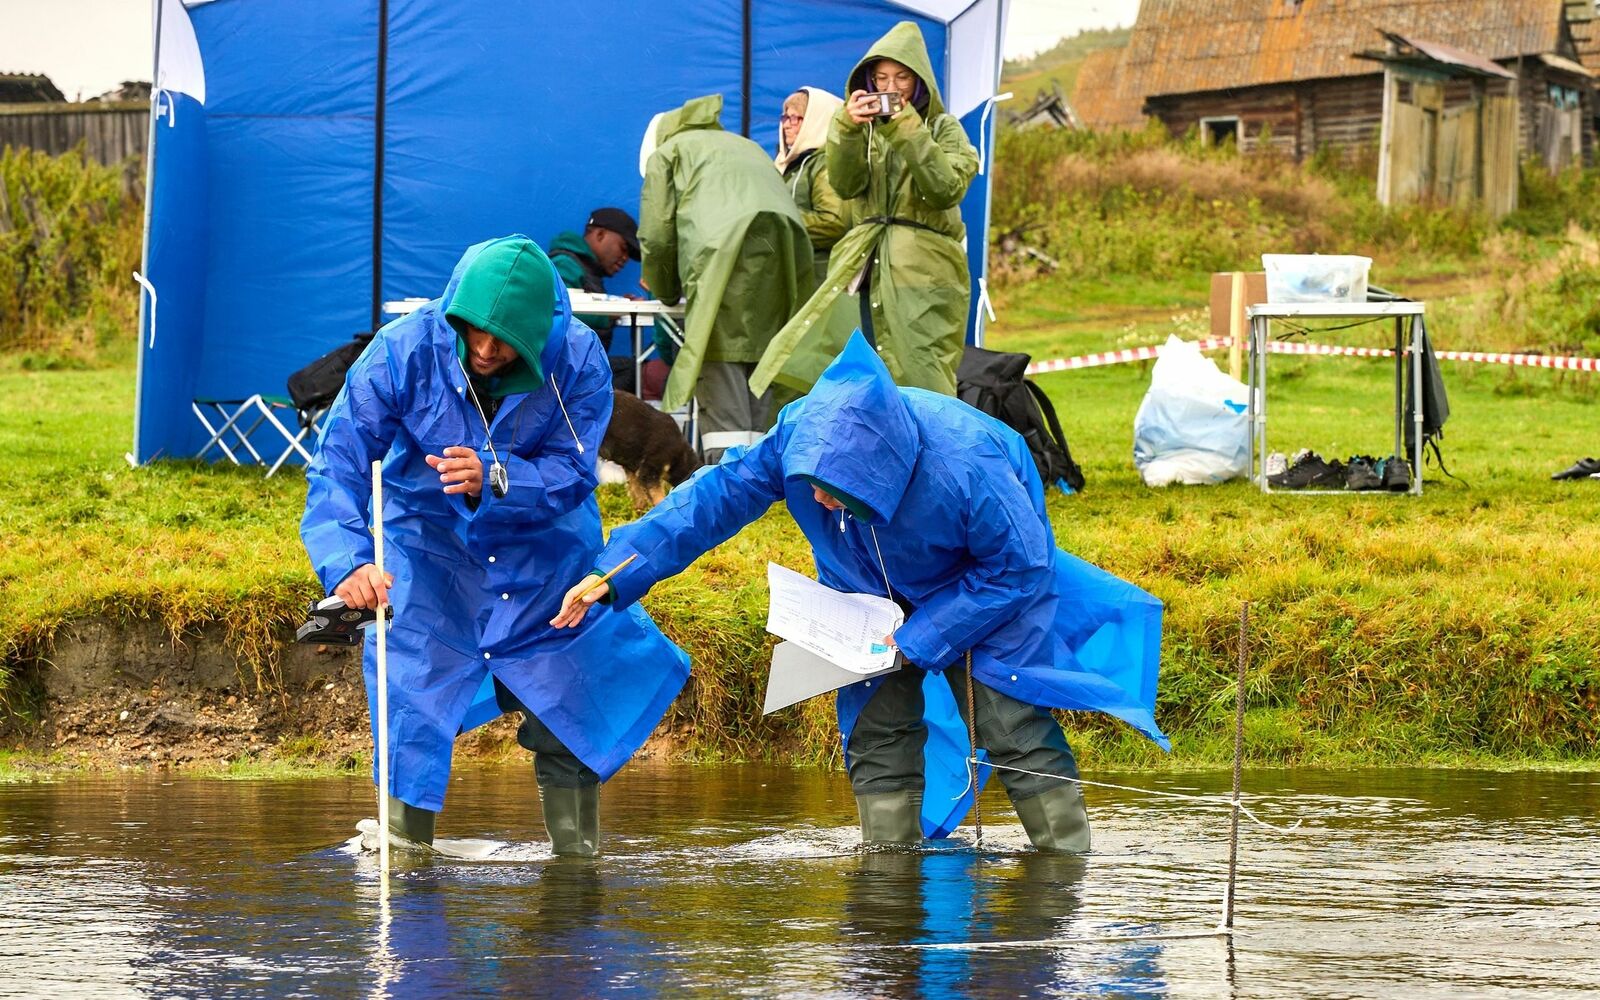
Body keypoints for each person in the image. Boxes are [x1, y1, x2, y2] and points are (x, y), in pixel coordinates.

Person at [552, 334, 1169, 853]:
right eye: (810, 486)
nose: (817, 502)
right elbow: (713, 498)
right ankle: (889, 872)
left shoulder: (968, 466)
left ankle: (1065, 871)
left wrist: (921, 637)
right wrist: (615, 572)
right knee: (875, 730)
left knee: (1010, 721)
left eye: (835, 490)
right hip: (861, 597)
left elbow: (1019, 569)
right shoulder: (798, 436)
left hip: (984, 590)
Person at [301, 235, 689, 857]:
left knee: (568, 699)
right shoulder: (401, 351)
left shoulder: (579, 360)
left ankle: (574, 875)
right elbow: (338, 467)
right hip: (427, 552)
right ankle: (406, 861)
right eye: (473, 333)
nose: (484, 351)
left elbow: (572, 471)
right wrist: (348, 563)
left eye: (504, 341)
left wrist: (499, 476)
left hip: (544, 551)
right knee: (413, 695)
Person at [751, 21, 979, 401]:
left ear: (920, 80)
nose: (890, 88)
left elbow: (945, 188)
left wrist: (905, 126)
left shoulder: (943, 127)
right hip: (867, 267)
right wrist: (846, 129)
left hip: (924, 272)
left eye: (902, 78)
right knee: (869, 381)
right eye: (881, 78)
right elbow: (845, 186)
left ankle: (938, 460)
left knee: (923, 380)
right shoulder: (865, 131)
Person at [638, 93, 813, 461]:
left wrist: (667, 292)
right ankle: (770, 480)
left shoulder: (667, 155)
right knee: (765, 365)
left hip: (720, 259)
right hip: (786, 259)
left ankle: (728, 482)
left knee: (719, 355)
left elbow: (656, 236)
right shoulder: (745, 147)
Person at [547, 206, 640, 354]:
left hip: (579, 369)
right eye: (623, 248)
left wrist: (619, 306)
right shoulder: (566, 264)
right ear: (600, 234)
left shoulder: (587, 269)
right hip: (564, 372)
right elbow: (554, 312)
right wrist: (612, 312)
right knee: (644, 372)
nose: (625, 258)